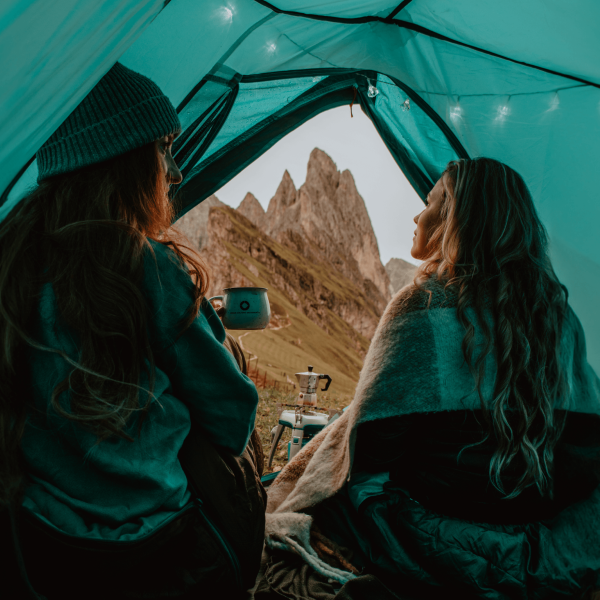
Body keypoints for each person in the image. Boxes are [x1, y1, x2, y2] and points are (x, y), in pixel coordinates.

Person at [260, 158, 600, 600]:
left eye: (429, 202)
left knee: (336, 490)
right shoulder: (560, 319)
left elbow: (375, 445)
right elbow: (585, 442)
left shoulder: (422, 305)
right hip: (532, 521)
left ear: (454, 218)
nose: (418, 215)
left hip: (430, 525)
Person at [0, 62, 265, 599]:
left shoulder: (10, 254)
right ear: (122, 157)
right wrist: (224, 350)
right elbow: (233, 417)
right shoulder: (145, 264)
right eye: (163, 148)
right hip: (152, 544)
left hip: (34, 539)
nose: (176, 171)